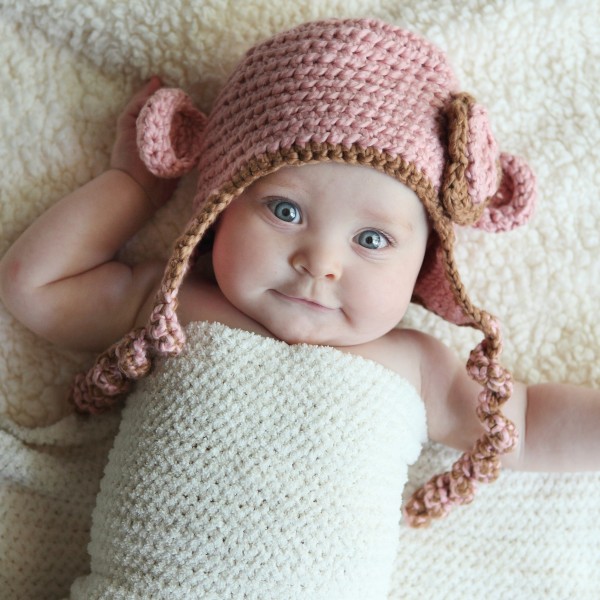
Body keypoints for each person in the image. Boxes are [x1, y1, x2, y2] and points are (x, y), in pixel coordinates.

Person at [0, 17, 598, 599]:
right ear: (221, 207)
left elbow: (530, 425)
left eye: (372, 240)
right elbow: (36, 285)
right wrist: (130, 188)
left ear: (424, 264)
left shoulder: (415, 366)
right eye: (285, 211)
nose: (320, 262)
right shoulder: (171, 306)